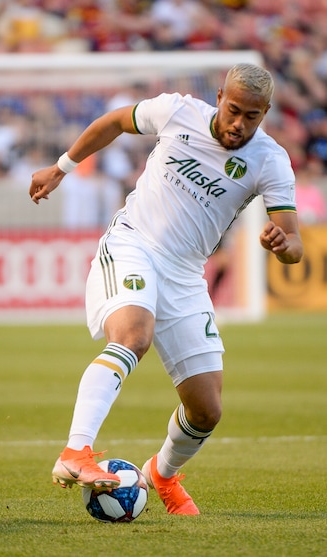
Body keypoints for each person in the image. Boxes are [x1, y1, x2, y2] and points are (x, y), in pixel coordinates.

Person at [29, 63, 303, 515]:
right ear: (219, 97)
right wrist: (62, 167)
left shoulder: (270, 160)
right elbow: (114, 121)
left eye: (251, 116)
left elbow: (293, 243)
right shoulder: (177, 111)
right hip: (134, 243)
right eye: (233, 110)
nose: (239, 123)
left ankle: (162, 473)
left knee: (206, 410)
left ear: (265, 112)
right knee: (132, 336)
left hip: (185, 275)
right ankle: (76, 451)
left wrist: (283, 244)